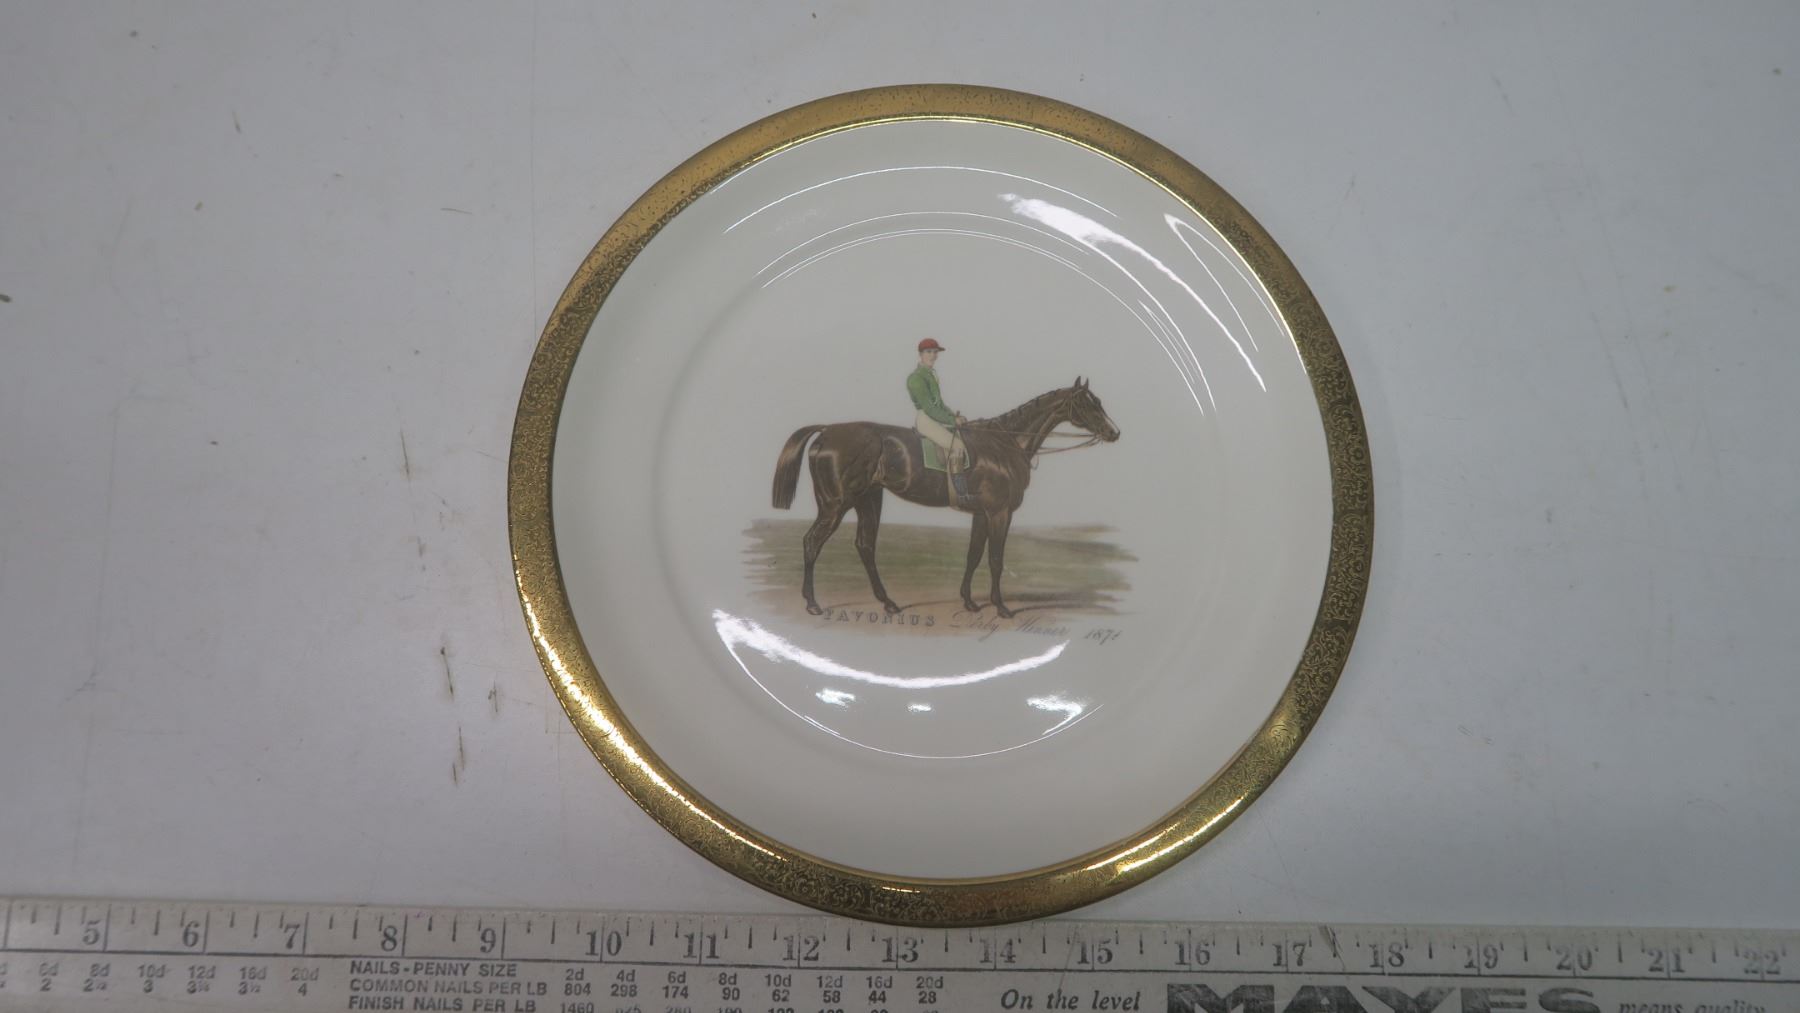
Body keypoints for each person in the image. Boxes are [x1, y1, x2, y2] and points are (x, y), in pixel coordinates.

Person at [907, 337, 974, 509]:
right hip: (926, 419)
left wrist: (954, 416)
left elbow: (939, 404)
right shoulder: (916, 378)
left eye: (935, 352)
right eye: (929, 352)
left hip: (935, 417)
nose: (933, 355)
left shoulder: (931, 374)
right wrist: (951, 420)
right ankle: (960, 494)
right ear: (921, 354)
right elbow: (929, 408)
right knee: (957, 446)